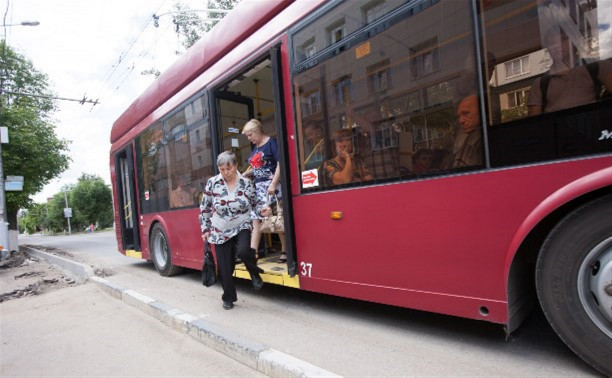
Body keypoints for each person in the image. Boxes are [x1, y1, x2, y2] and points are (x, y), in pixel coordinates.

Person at [199, 151, 270, 310]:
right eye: (222, 169)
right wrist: (205, 228)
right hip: (220, 228)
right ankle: (228, 297)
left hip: (241, 224)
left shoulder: (246, 183)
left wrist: (262, 211)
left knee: (245, 251)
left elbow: (255, 203)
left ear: (236, 166)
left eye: (228, 169)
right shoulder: (213, 183)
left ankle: (254, 272)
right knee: (225, 268)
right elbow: (205, 207)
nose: (225, 173)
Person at [528, 29, 612, 116]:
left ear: (574, 42)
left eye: (563, 39)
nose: (556, 45)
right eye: (551, 43)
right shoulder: (540, 83)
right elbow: (533, 125)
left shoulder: (595, 66)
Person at [242, 119, 287, 263]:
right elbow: (258, 169)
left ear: (256, 132)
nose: (249, 139)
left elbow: (280, 163)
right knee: (256, 220)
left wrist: (273, 184)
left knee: (276, 219)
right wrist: (248, 174)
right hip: (259, 188)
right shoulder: (256, 148)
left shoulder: (271, 143)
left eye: (250, 135)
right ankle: (252, 253)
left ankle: (285, 251)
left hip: (272, 187)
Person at [451, 95, 483, 168]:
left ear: (481, 110)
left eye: (466, 113)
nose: (461, 121)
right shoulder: (469, 139)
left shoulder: (479, 141)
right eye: (459, 116)